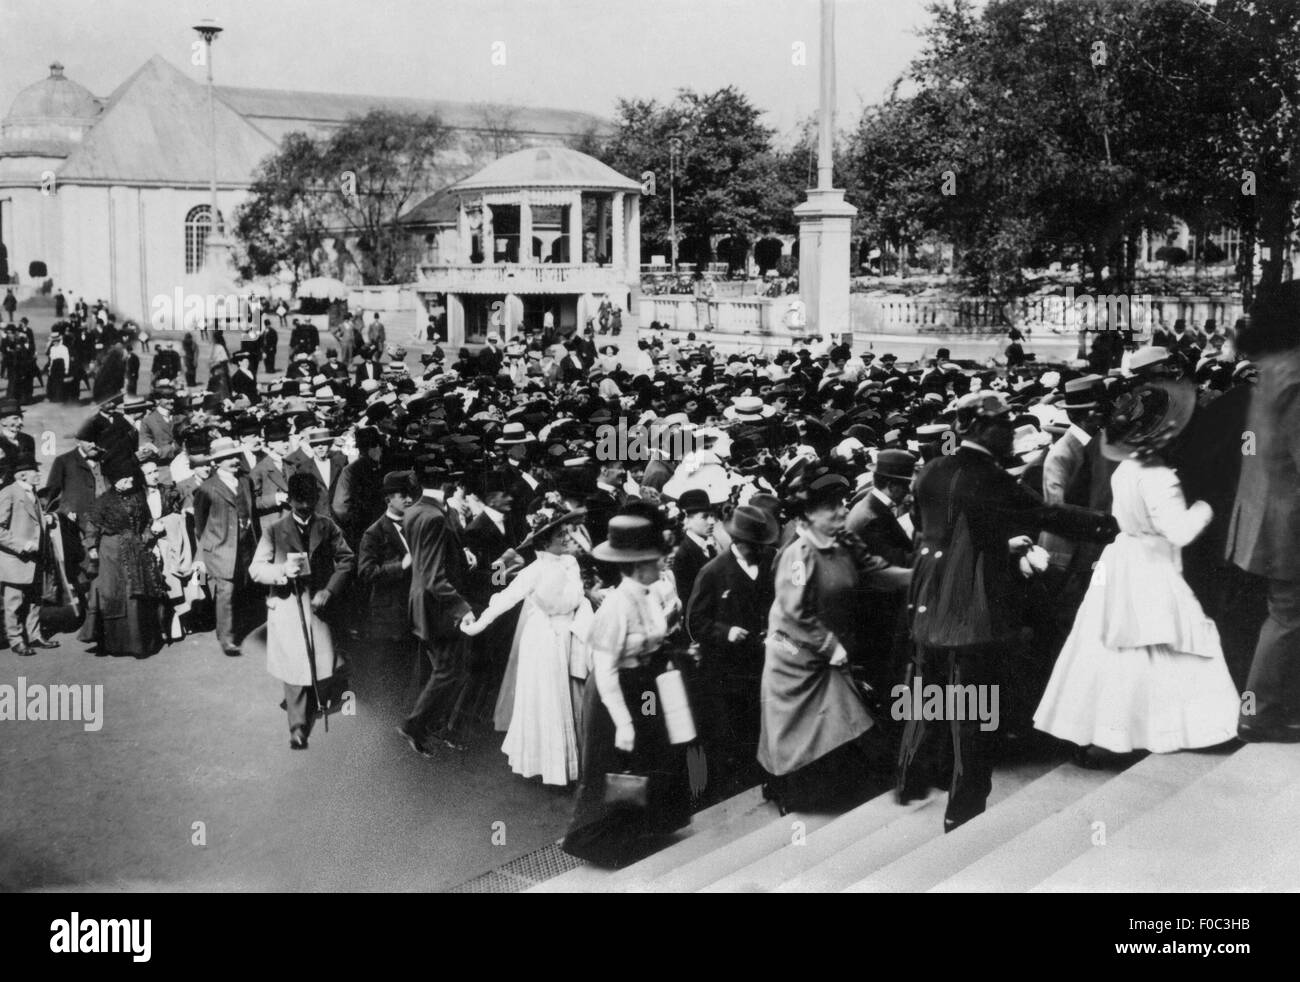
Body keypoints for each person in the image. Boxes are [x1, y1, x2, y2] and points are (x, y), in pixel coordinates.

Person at [898, 391, 1118, 831]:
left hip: (927, 606)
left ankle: (917, 782)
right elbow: (1044, 513)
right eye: (1004, 425)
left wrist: (997, 543)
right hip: (971, 614)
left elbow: (950, 533)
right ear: (980, 427)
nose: (1010, 433)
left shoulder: (932, 471)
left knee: (931, 702)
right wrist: (1111, 524)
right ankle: (963, 816)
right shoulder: (989, 477)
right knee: (975, 719)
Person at [1035, 380, 1240, 759]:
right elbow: (1180, 530)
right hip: (1151, 562)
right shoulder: (1160, 478)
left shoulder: (1125, 469)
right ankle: (1185, 726)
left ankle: (1105, 731)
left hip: (1123, 558)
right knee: (1168, 645)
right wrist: (1208, 505)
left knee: (1112, 649)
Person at [758, 460, 908, 815]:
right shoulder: (796, 556)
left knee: (842, 721)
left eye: (842, 504)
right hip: (795, 654)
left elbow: (879, 572)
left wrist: (925, 575)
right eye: (832, 508)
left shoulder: (844, 542)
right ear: (807, 517)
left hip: (829, 651)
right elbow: (795, 613)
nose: (842, 511)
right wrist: (830, 646)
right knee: (812, 727)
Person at [563, 510, 692, 868]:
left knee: (647, 758)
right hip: (612, 697)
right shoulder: (615, 607)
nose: (663, 561)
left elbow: (653, 637)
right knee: (614, 767)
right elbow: (604, 671)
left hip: (643, 687)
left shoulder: (650, 593)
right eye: (655, 558)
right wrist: (622, 722)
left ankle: (645, 830)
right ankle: (605, 844)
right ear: (637, 564)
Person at [465, 499, 589, 786]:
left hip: (570, 634)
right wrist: (476, 625)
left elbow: (576, 597)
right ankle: (548, 766)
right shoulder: (535, 570)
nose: (568, 538)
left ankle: (572, 763)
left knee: (570, 697)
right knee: (548, 698)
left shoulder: (570, 563)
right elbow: (503, 600)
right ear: (545, 541)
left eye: (567, 533)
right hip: (544, 641)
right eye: (561, 535)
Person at [1225, 282, 1300, 742]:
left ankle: (1263, 708)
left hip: (1266, 513)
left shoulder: (1274, 367)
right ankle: (1259, 713)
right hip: (1289, 519)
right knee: (1288, 614)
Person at [249, 471, 355, 750]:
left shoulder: (328, 526)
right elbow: (256, 569)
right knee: (294, 667)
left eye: (309, 501)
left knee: (325, 661)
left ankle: (328, 698)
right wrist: (281, 571)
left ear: (317, 498)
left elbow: (346, 560)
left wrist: (330, 589)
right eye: (299, 503)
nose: (305, 508)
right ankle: (297, 726)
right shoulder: (273, 531)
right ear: (291, 501)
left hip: (320, 606)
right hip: (288, 606)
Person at [686, 503, 778, 803]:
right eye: (753, 546)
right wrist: (726, 632)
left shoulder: (771, 561)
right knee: (740, 726)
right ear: (738, 542)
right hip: (731, 668)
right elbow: (697, 621)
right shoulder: (713, 572)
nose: (759, 550)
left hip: (768, 658)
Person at [398, 458, 477, 755]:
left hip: (422, 602)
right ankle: (415, 725)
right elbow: (434, 576)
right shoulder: (435, 516)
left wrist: (461, 554)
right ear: (449, 484)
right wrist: (462, 607)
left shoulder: (415, 512)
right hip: (438, 606)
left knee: (445, 669)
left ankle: (425, 725)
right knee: (449, 670)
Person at [79, 457, 168, 658]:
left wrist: (147, 534)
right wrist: (92, 547)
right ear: (114, 480)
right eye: (124, 479)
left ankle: (141, 643)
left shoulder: (137, 495)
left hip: (137, 548)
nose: (129, 481)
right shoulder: (103, 501)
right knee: (116, 594)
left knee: (138, 594)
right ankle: (116, 644)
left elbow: (145, 520)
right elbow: (92, 526)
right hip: (112, 552)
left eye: (130, 478)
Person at [192, 437, 258, 657]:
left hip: (245, 545)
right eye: (226, 458)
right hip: (220, 548)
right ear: (216, 462)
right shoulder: (207, 488)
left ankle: (234, 626)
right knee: (226, 591)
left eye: (235, 456)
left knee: (240, 587)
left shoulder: (245, 481)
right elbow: (200, 524)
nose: (233, 461)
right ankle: (227, 638)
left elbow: (251, 509)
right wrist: (211, 546)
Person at [0, 455, 59, 655]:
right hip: (15, 558)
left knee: (35, 600)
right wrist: (22, 545)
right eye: (35, 471)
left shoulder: (31, 493)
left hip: (35, 558)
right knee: (13, 602)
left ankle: (34, 636)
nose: (39, 474)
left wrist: (47, 520)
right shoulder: (9, 493)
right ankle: (16, 640)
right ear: (23, 475)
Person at [670, 488, 717, 607]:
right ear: (687, 520)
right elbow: (688, 601)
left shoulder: (708, 548)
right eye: (705, 517)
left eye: (712, 516)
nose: (712, 521)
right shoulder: (683, 554)